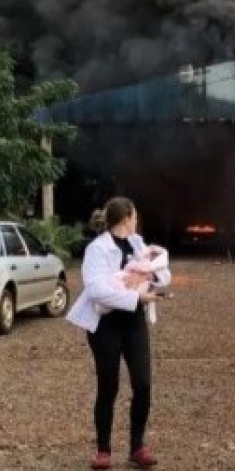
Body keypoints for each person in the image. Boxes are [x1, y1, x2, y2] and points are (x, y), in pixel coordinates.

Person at [66, 197, 171, 469]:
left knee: (143, 385)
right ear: (126, 217)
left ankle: (137, 447)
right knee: (108, 386)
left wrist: (153, 277)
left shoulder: (137, 243)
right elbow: (96, 289)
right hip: (105, 326)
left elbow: (161, 271)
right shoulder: (96, 249)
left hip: (134, 323)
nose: (137, 220)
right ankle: (103, 451)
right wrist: (136, 297)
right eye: (135, 216)